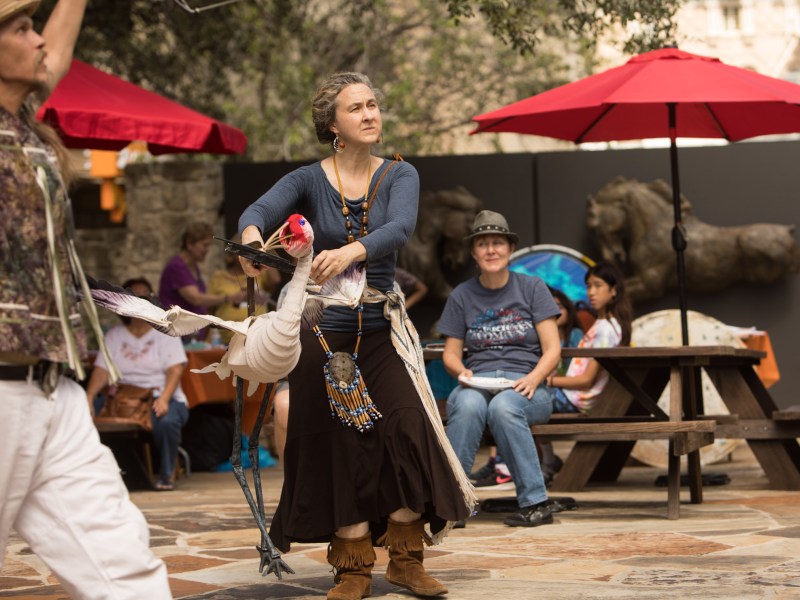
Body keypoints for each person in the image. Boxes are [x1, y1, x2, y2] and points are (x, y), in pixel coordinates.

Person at [238, 72, 472, 600]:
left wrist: (350, 251)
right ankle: (353, 566)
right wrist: (253, 244)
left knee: (408, 427)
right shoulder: (305, 178)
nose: (370, 114)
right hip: (322, 333)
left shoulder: (399, 174)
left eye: (373, 104)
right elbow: (254, 214)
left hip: (382, 330)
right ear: (333, 124)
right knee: (341, 444)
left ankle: (406, 559)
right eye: (356, 108)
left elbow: (399, 228)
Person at [0, 1, 171, 596]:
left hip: (54, 389)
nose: (39, 40)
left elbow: (58, 51)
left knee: (127, 571)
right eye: (22, 28)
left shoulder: (21, 120)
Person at [438, 210, 562, 528]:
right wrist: (460, 372)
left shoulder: (533, 288)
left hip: (528, 386)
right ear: (473, 252)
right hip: (478, 382)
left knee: (505, 408)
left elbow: (553, 350)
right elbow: (451, 354)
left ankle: (536, 502)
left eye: (497, 242)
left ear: (509, 249)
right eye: (483, 244)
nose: (491, 250)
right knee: (464, 405)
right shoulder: (462, 295)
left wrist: (534, 378)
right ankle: (455, 503)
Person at [85, 277, 190, 491]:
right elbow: (102, 371)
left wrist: (164, 398)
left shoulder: (166, 331)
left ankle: (167, 472)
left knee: (166, 420)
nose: (138, 302)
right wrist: (88, 397)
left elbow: (175, 369)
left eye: (143, 297)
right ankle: (97, 477)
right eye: (132, 297)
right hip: (122, 398)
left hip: (159, 395)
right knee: (86, 418)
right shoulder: (114, 335)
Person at [541, 261, 632, 414]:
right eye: (589, 286)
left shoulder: (606, 330)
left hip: (575, 399)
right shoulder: (603, 324)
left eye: (598, 285)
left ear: (614, 290)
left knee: (519, 400)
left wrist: (547, 381)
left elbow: (586, 380)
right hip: (571, 395)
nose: (591, 292)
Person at [158, 221, 246, 340]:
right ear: (190, 244)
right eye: (204, 245)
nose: (207, 250)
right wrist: (229, 298)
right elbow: (196, 299)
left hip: (190, 334)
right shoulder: (177, 267)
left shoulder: (193, 267)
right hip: (178, 336)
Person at [208, 244, 280, 344]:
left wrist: (262, 253)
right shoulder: (219, 277)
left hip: (257, 338)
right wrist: (230, 298)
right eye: (244, 250)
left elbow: (275, 280)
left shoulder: (258, 272)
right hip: (227, 339)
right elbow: (210, 309)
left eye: (251, 251)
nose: (247, 255)